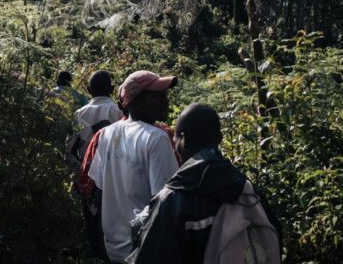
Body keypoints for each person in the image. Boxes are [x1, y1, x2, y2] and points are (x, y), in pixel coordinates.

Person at [126, 103, 280, 264]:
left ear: (183, 139)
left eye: (175, 136)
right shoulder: (248, 192)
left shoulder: (173, 200)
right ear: (219, 139)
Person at [88, 70, 179, 263]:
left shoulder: (106, 134)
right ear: (135, 101)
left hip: (114, 247)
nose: (165, 101)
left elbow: (100, 190)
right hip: (143, 249)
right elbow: (164, 205)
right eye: (157, 96)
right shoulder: (156, 138)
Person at [68, 70, 123, 261]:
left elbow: (68, 150)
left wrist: (81, 172)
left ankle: (97, 256)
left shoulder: (78, 114)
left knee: (92, 225)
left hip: (88, 180)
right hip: (115, 178)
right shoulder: (119, 112)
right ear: (112, 89)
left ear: (88, 90)